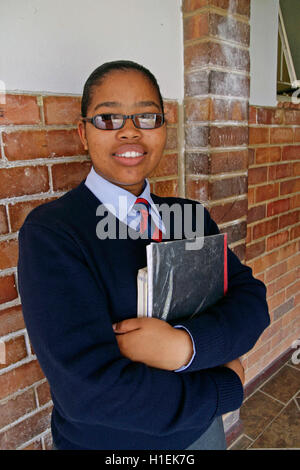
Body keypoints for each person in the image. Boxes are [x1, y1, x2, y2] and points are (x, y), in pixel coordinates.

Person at [17, 60, 270, 451]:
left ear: (164, 127)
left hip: (200, 433)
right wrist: (223, 389)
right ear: (82, 134)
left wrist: (184, 347)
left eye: (147, 116)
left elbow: (251, 302)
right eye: (108, 119)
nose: (130, 131)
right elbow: (89, 393)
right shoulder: (54, 233)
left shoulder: (188, 216)